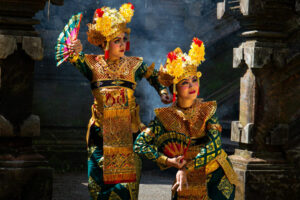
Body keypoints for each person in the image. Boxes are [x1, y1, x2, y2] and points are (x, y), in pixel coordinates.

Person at [57, 3, 171, 200]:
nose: (123, 44)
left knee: (124, 192)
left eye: (124, 39)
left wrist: (162, 91)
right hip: (100, 135)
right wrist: (74, 47)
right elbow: (73, 57)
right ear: (104, 43)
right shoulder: (92, 64)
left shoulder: (134, 64)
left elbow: (154, 76)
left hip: (128, 137)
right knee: (97, 190)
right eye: (117, 40)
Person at [134, 38, 239, 200]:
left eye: (194, 80)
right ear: (175, 88)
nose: (192, 86)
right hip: (186, 177)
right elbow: (140, 145)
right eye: (185, 82)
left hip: (215, 172)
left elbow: (214, 146)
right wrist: (168, 161)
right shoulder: (164, 117)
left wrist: (186, 168)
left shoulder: (208, 110)